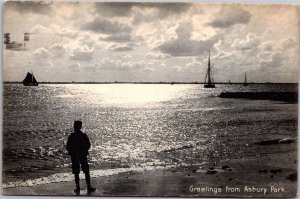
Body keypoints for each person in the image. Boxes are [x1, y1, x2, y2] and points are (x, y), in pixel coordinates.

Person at [66, 121, 96, 195]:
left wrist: (72, 152)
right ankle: (88, 187)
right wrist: (83, 150)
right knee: (86, 171)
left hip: (75, 156)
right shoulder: (83, 135)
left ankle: (78, 188)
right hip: (82, 155)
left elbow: (68, 146)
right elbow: (88, 145)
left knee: (76, 172)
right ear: (80, 127)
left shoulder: (72, 136)